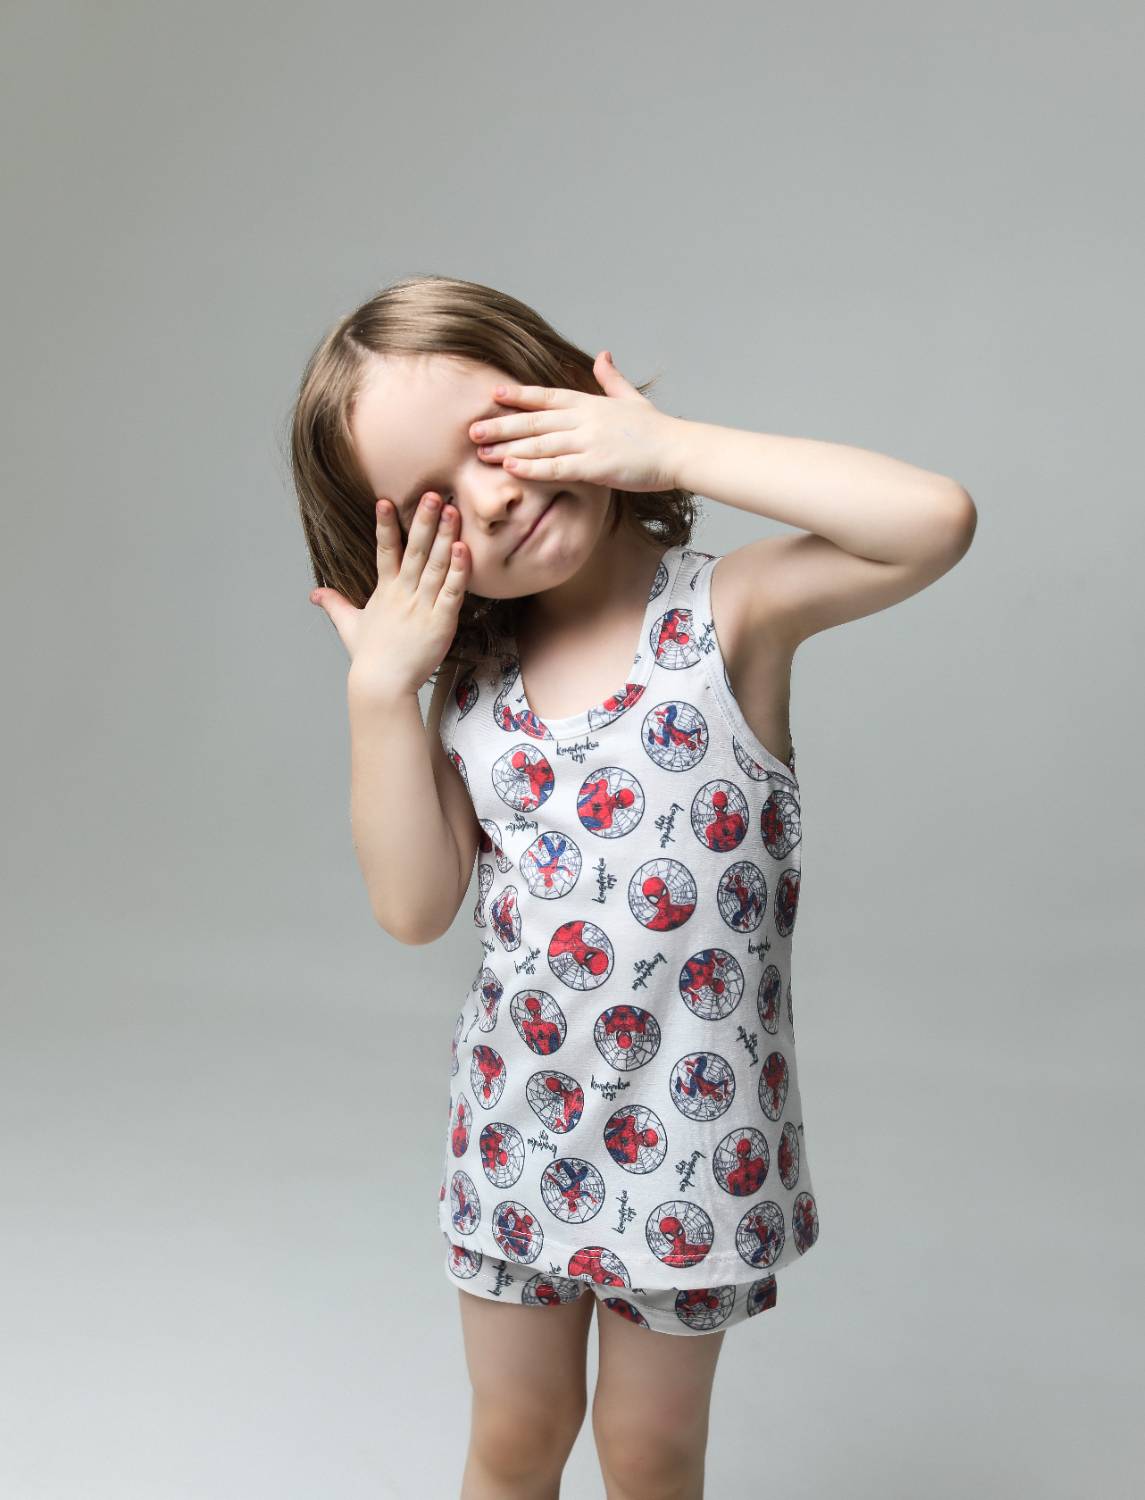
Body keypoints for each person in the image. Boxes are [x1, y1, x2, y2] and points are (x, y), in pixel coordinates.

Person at [290, 273, 976, 1499]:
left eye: (499, 437)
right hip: (516, 1131)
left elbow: (931, 520)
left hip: (691, 1148)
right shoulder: (470, 687)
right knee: (514, 1436)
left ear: (565, 394)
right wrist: (380, 693)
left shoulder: (730, 612)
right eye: (438, 502)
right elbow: (413, 906)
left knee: (648, 1454)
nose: (493, 497)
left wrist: (668, 447)